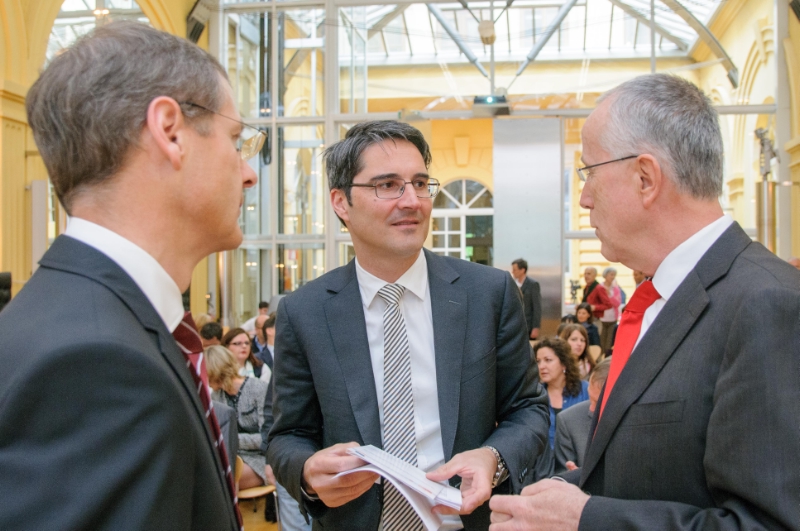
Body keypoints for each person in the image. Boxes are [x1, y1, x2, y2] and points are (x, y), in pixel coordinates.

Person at [489, 74, 800, 530]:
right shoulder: (663, 298)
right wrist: (552, 497)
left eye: (589, 172)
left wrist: (585, 519)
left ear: (645, 178)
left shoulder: (768, 305)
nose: (584, 199)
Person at [0, 21, 259, 530]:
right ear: (170, 131)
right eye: (235, 139)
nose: (248, 173)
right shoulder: (98, 364)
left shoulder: (69, 319)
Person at [267, 120, 549, 531]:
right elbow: (286, 434)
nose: (412, 201)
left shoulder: (488, 294)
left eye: (420, 183)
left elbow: (528, 409)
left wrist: (493, 457)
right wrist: (308, 471)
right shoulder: (305, 312)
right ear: (341, 202)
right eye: (388, 185)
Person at [206, 345, 270, 490]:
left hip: (261, 458)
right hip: (232, 457)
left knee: (222, 481)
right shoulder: (216, 396)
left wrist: (232, 439)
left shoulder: (259, 389)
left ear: (213, 372)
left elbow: (266, 438)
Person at [553, 358, 610, 473]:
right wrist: (575, 478)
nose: (591, 408)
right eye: (590, 398)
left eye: (598, 403)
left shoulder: (643, 422)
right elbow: (562, 476)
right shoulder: (569, 422)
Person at [534, 337, 589, 450]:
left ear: (564, 363)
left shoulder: (585, 390)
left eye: (548, 360)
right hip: (543, 459)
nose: (541, 366)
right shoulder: (535, 394)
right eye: (538, 361)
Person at [511, 258, 543, 339]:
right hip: (514, 326)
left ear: (522, 270)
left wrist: (536, 327)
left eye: (515, 270)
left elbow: (537, 307)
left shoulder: (533, 284)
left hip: (527, 326)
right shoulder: (512, 284)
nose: (513, 272)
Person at [598, 267, 621, 355]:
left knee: (609, 341)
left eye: (614, 275)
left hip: (612, 319)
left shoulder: (615, 288)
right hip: (601, 318)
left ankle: (607, 357)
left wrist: (610, 295)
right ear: (606, 275)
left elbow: (617, 303)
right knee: (601, 340)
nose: (613, 277)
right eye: (611, 274)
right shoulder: (600, 287)